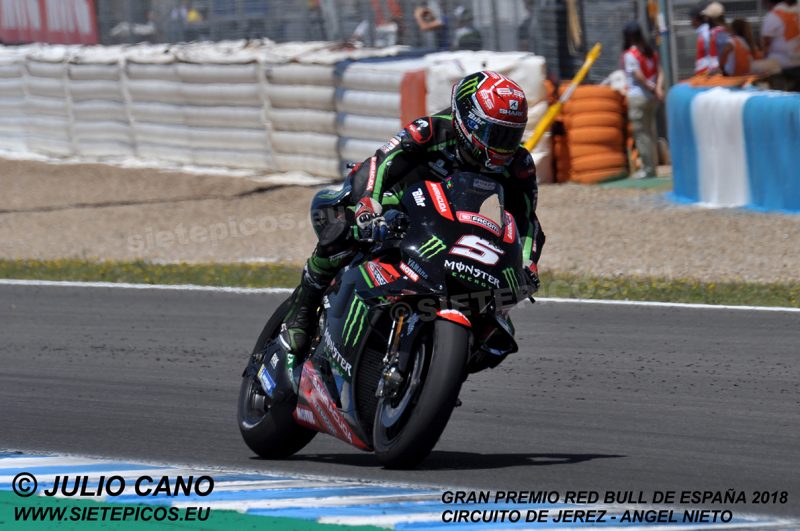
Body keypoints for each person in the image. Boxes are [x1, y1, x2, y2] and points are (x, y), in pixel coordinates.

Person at [278, 71, 545, 381]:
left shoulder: (519, 165)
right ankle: (302, 311)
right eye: (494, 135)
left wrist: (529, 264)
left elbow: (526, 223)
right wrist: (368, 204)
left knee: (495, 328)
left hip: (451, 230)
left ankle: (431, 372)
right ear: (467, 121)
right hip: (395, 202)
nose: (503, 147)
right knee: (342, 227)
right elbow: (383, 161)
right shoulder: (431, 130)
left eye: (511, 136)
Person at [622, 21, 664, 179]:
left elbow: (638, 77)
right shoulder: (651, 51)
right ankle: (652, 167)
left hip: (638, 97)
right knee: (651, 132)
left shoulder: (630, 55)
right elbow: (660, 71)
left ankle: (648, 169)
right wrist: (658, 89)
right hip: (652, 98)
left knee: (641, 134)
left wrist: (652, 88)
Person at [761, 0, 800, 90]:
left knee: (779, 96)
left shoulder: (773, 16)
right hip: (797, 64)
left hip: (779, 66)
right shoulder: (796, 15)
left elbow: (766, 44)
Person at [691, 3, 713, 75]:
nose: (691, 23)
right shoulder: (702, 32)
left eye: (692, 19)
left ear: (696, 19)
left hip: (707, 75)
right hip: (703, 74)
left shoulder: (705, 33)